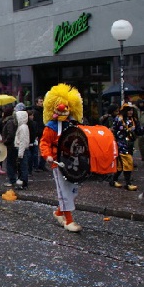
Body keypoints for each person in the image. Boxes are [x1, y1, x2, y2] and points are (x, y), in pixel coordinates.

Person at [39, 83, 84, 232]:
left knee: (73, 191)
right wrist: (47, 156)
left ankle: (59, 213)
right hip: (58, 163)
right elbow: (44, 143)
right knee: (64, 192)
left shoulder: (72, 125)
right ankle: (69, 221)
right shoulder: (50, 127)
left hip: (72, 162)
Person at [109, 102, 143, 191]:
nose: (130, 112)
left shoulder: (134, 119)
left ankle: (113, 180)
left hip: (130, 144)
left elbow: (139, 131)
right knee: (128, 162)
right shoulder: (118, 119)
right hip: (121, 144)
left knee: (120, 165)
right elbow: (113, 130)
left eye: (131, 110)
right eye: (128, 110)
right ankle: (128, 184)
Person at [1, 105, 17, 186]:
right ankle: (13, 179)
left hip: (10, 146)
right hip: (12, 145)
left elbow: (11, 134)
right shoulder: (12, 121)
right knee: (12, 162)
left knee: (10, 163)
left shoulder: (9, 122)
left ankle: (12, 180)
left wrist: (5, 141)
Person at [14, 108, 30, 189]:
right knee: (21, 167)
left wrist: (20, 153)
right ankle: (23, 182)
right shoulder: (22, 126)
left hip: (22, 150)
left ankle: (24, 183)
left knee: (23, 167)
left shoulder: (23, 127)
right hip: (22, 149)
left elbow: (23, 141)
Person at [32, 96, 48, 172]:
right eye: (40, 101)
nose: (42, 103)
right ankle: (35, 165)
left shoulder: (44, 111)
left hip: (43, 131)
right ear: (36, 103)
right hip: (37, 132)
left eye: (42, 101)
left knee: (43, 149)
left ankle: (41, 164)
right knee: (35, 150)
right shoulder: (35, 112)